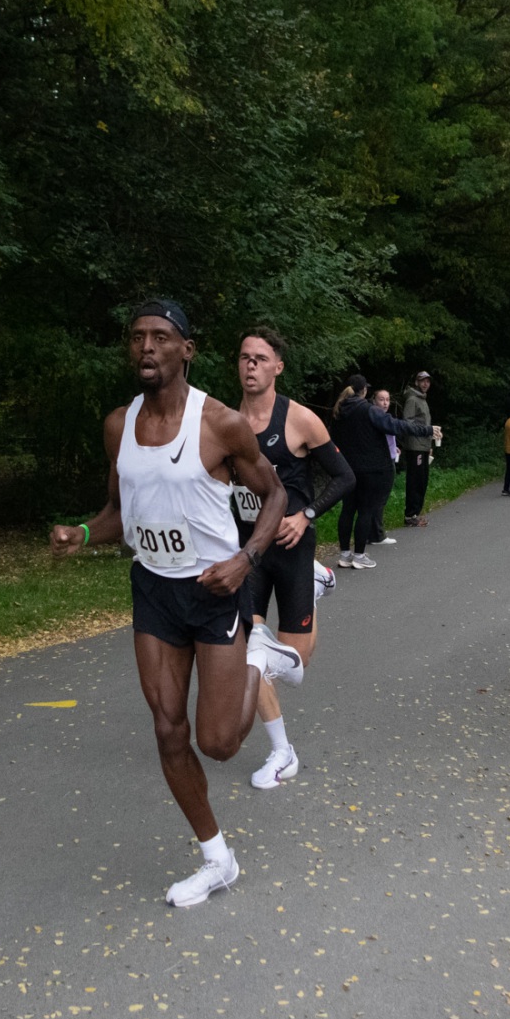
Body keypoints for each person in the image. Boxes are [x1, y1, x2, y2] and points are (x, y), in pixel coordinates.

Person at [49, 300, 304, 909]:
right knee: (168, 729)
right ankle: (217, 859)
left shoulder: (219, 423)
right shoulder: (119, 426)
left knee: (219, 744)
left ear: (186, 349)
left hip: (215, 588)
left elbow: (275, 494)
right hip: (155, 590)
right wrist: (82, 534)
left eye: (161, 337)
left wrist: (246, 559)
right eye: (137, 337)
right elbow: (120, 513)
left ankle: (259, 659)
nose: (147, 347)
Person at [234, 328, 356, 790]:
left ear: (277, 367)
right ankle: (282, 752)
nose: (251, 365)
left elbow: (345, 477)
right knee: (251, 655)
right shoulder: (224, 423)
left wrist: (306, 516)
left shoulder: (301, 420)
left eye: (261, 358)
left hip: (291, 548)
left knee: (294, 666)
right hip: (247, 552)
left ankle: (315, 583)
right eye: (245, 357)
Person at [334, 375, 438, 569]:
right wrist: (427, 430)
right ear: (364, 391)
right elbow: (396, 425)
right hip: (371, 469)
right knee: (365, 511)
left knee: (348, 510)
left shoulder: (339, 411)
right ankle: (359, 555)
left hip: (347, 468)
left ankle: (345, 555)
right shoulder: (369, 410)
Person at [400, 372, 435, 527]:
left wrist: (430, 443)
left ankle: (415, 514)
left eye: (427, 381)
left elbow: (424, 423)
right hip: (414, 447)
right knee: (415, 480)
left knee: (422, 480)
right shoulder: (412, 399)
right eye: (422, 381)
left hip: (424, 446)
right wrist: (426, 431)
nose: (425, 384)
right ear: (416, 382)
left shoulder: (423, 399)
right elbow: (407, 423)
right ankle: (410, 515)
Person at [370, 389, 399, 544]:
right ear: (374, 400)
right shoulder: (378, 418)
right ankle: (378, 535)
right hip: (384, 463)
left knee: (378, 499)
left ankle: (372, 533)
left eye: (387, 399)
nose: (385, 403)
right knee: (380, 499)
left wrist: (395, 448)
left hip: (389, 457)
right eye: (381, 399)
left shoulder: (382, 417)